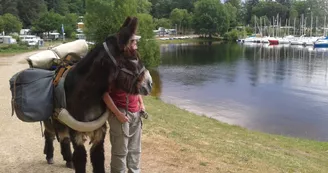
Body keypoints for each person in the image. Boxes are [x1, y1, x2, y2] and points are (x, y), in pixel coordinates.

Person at [103, 34, 145, 173]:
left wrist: (141, 103)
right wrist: (117, 114)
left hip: (135, 112)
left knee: (135, 151)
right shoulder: (113, 66)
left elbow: (136, 86)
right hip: (120, 113)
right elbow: (104, 93)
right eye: (133, 41)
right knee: (120, 153)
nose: (136, 44)